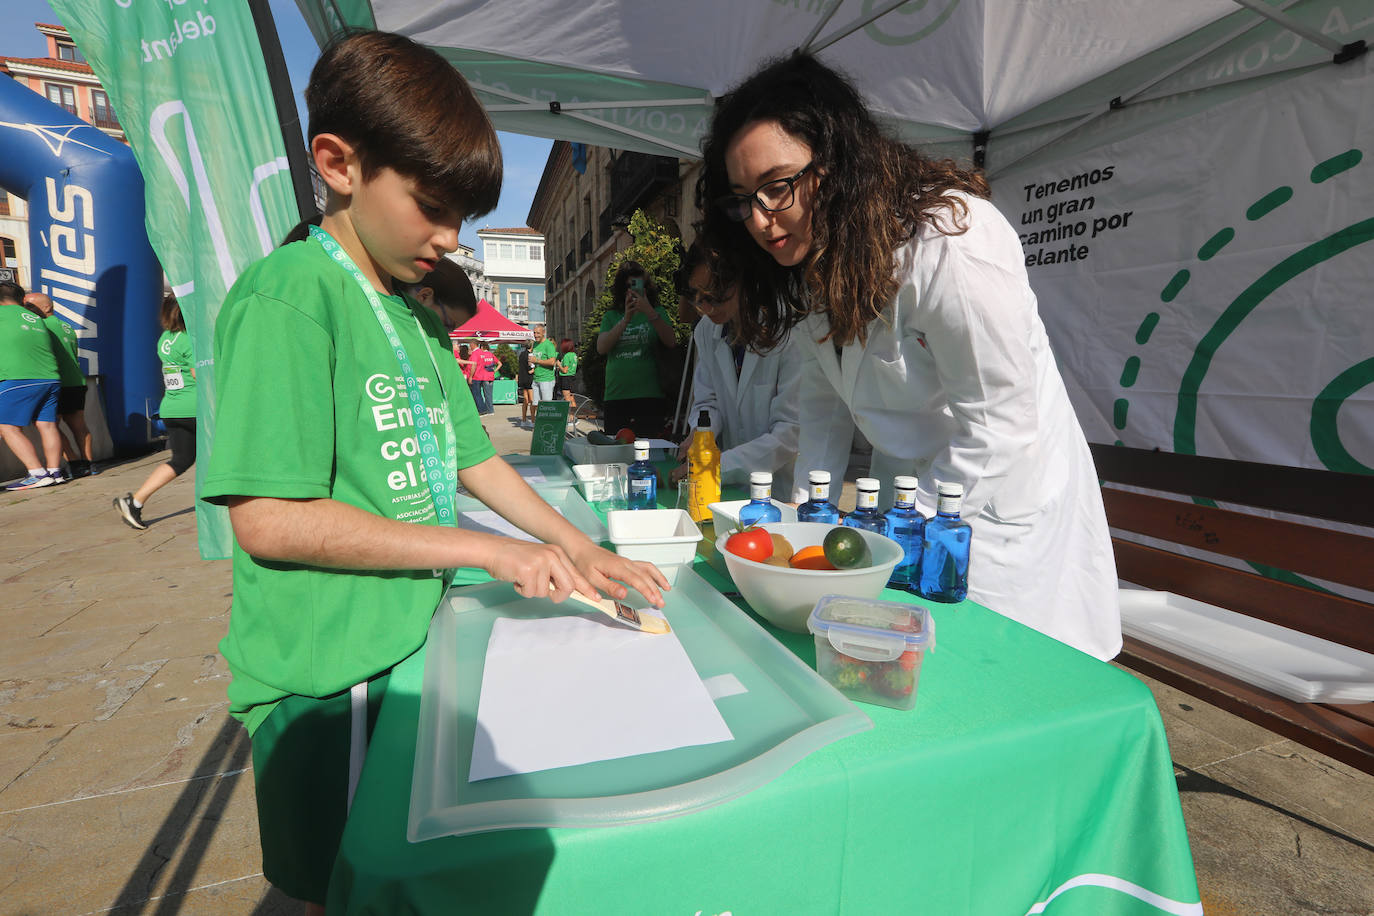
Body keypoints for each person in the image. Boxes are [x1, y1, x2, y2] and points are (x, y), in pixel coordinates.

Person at [198, 31, 668, 914]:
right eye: (432, 206)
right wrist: (487, 554)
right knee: (342, 889)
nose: (451, 238)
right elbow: (265, 517)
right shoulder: (291, 296)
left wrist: (579, 544)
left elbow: (474, 455)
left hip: (406, 646)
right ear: (338, 164)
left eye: (464, 216)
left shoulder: (413, 315)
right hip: (329, 673)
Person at [697, 53, 1120, 662]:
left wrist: (895, 527)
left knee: (1012, 681)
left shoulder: (953, 243)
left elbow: (1001, 425)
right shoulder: (817, 265)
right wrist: (808, 525)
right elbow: (821, 411)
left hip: (1001, 512)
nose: (761, 220)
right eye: (744, 199)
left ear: (836, 163)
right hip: (913, 505)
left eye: (778, 186)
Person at [668, 241, 799, 495]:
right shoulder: (707, 330)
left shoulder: (789, 330)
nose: (704, 308)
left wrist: (717, 466)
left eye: (713, 297)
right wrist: (700, 433)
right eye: (696, 297)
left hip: (785, 490)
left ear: (744, 282)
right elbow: (709, 400)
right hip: (730, 490)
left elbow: (790, 433)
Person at [113, 292, 196, 530]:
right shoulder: (190, 339)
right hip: (196, 407)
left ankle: (135, 502)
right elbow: (197, 375)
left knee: (180, 460)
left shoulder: (166, 338)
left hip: (172, 407)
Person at [595, 262, 677, 437]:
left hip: (649, 395)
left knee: (649, 451)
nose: (632, 291)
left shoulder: (657, 312)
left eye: (638, 286)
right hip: (617, 395)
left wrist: (649, 312)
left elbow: (671, 341)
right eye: (628, 287)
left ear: (646, 288)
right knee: (617, 451)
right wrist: (625, 319)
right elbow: (601, 347)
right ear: (621, 289)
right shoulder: (612, 316)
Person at [0, 280, 64, 489]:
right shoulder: (36, 318)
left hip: (19, 378)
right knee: (47, 425)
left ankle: (37, 473)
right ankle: (55, 472)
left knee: (7, 427)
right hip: (50, 378)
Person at [24, 292, 93, 478]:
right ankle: (87, 464)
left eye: (30, 306)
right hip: (76, 381)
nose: (25, 310)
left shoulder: (40, 325)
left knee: (48, 426)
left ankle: (74, 462)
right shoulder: (67, 326)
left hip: (56, 381)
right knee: (78, 425)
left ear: (46, 307)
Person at [467, 338, 498, 415]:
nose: (470, 346)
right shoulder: (484, 353)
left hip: (479, 376)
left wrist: (470, 376)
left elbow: (474, 365)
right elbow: (493, 364)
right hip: (485, 376)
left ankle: (483, 410)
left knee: (478, 394)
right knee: (486, 394)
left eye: (470, 345)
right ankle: (488, 410)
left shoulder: (476, 353)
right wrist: (493, 370)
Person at [529, 322, 557, 404]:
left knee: (546, 405)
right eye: (534, 333)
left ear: (544, 333)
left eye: (538, 333)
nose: (535, 335)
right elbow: (535, 359)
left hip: (546, 379)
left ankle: (548, 417)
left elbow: (552, 362)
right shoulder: (535, 344)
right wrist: (531, 363)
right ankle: (539, 417)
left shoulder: (549, 345)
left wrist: (536, 361)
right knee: (535, 404)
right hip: (536, 378)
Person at [555, 337, 578, 405]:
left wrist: (559, 364)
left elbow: (565, 370)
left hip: (566, 378)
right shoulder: (574, 354)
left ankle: (570, 414)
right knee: (572, 398)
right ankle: (573, 414)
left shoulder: (567, 356)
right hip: (572, 377)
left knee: (567, 399)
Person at [516, 343, 534, 427]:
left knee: (525, 400)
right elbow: (530, 370)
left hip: (522, 378)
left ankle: (523, 419)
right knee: (532, 400)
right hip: (529, 379)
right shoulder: (530, 355)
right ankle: (533, 420)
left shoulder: (521, 354)